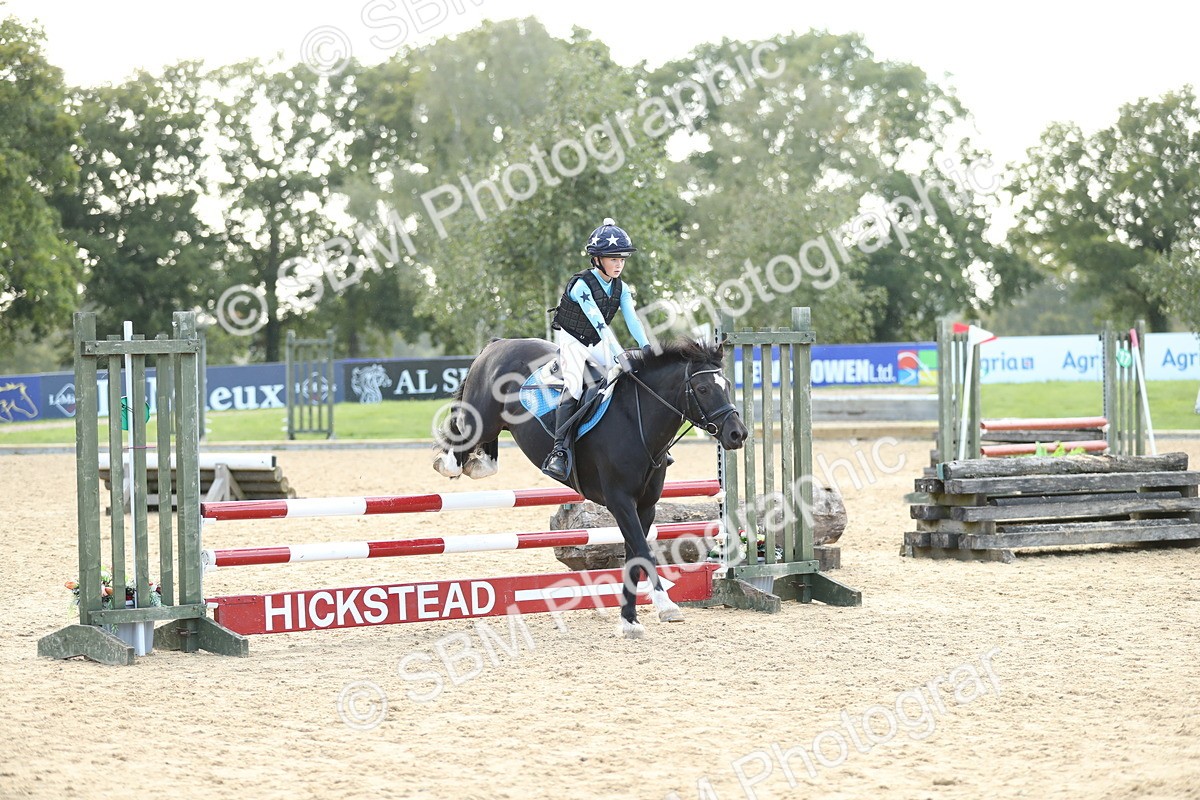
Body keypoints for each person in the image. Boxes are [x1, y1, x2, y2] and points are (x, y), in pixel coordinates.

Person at [542, 218, 654, 481]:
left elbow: (633, 319)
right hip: (573, 341)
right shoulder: (581, 284)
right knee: (575, 385)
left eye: (622, 259)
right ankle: (559, 451)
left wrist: (647, 347)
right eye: (613, 259)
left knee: (629, 376)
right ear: (597, 259)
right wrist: (619, 354)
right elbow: (600, 324)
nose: (619, 264)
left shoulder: (622, 288)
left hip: (596, 341)